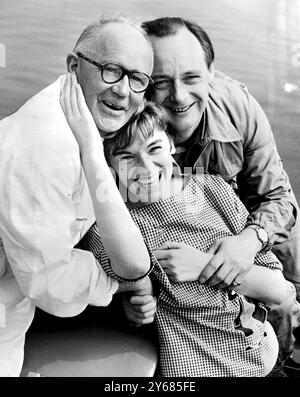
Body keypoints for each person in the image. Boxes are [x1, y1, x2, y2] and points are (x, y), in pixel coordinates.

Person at [64, 86, 292, 376]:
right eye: (126, 157)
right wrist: (133, 302)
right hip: (194, 370)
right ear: (109, 167)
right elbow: (115, 283)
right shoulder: (111, 229)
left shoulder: (213, 189)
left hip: (262, 356)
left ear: (170, 144)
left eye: (154, 148)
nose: (145, 166)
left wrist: (203, 267)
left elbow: (276, 289)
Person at [127, 16, 300, 359]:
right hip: (164, 247)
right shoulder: (126, 127)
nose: (178, 96)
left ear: (211, 72)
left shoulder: (239, 107)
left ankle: (283, 353)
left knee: (286, 287)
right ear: (142, 81)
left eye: (192, 77)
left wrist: (250, 241)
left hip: (238, 224)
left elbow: (277, 196)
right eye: (160, 82)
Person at [0, 15, 154, 377]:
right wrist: (115, 283)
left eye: (137, 79)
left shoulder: (74, 115)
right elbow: (48, 283)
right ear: (74, 66)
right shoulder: (50, 144)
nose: (123, 91)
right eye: (111, 70)